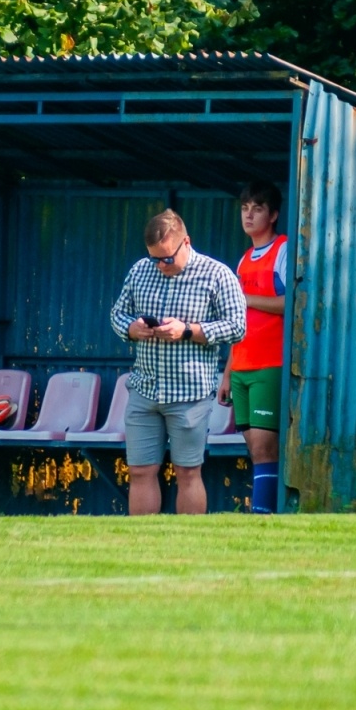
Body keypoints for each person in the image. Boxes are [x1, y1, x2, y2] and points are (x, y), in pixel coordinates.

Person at [110, 209, 245, 515]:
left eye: (167, 259)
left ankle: (188, 546)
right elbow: (117, 315)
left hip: (190, 394)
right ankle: (142, 547)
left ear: (187, 242)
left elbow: (238, 326)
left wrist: (187, 330)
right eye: (155, 258)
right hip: (144, 389)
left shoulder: (217, 274)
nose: (161, 265)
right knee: (140, 471)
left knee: (187, 472)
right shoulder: (140, 271)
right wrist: (131, 329)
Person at [218, 180, 288, 513]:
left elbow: (291, 303)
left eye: (257, 208)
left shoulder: (283, 249)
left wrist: (247, 299)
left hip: (269, 365)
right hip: (242, 366)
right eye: (245, 208)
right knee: (253, 448)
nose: (249, 215)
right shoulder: (244, 260)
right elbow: (237, 324)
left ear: (273, 215)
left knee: (265, 447)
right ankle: (263, 513)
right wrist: (227, 374)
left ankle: (263, 517)